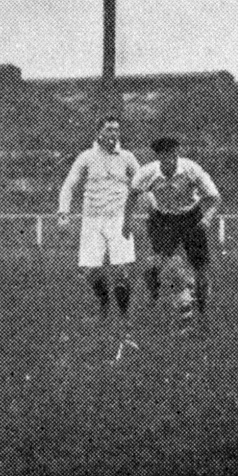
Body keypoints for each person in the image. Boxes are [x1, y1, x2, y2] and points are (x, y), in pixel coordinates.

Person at [58, 116, 143, 329]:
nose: (114, 134)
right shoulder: (86, 157)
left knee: (121, 270)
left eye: (116, 130)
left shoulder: (127, 157)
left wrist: (156, 208)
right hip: (92, 220)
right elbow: (69, 185)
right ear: (99, 133)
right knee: (89, 270)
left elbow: (144, 181)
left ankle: (124, 318)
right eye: (109, 130)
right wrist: (63, 213)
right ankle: (104, 304)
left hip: (118, 219)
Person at [132, 137, 221, 334]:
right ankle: (159, 292)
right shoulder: (147, 173)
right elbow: (133, 193)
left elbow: (214, 198)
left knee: (201, 270)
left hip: (191, 217)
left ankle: (200, 315)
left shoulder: (191, 169)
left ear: (177, 154)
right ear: (159, 157)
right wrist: (126, 220)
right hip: (163, 220)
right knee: (153, 268)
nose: (170, 160)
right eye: (165, 156)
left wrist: (207, 218)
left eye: (173, 155)